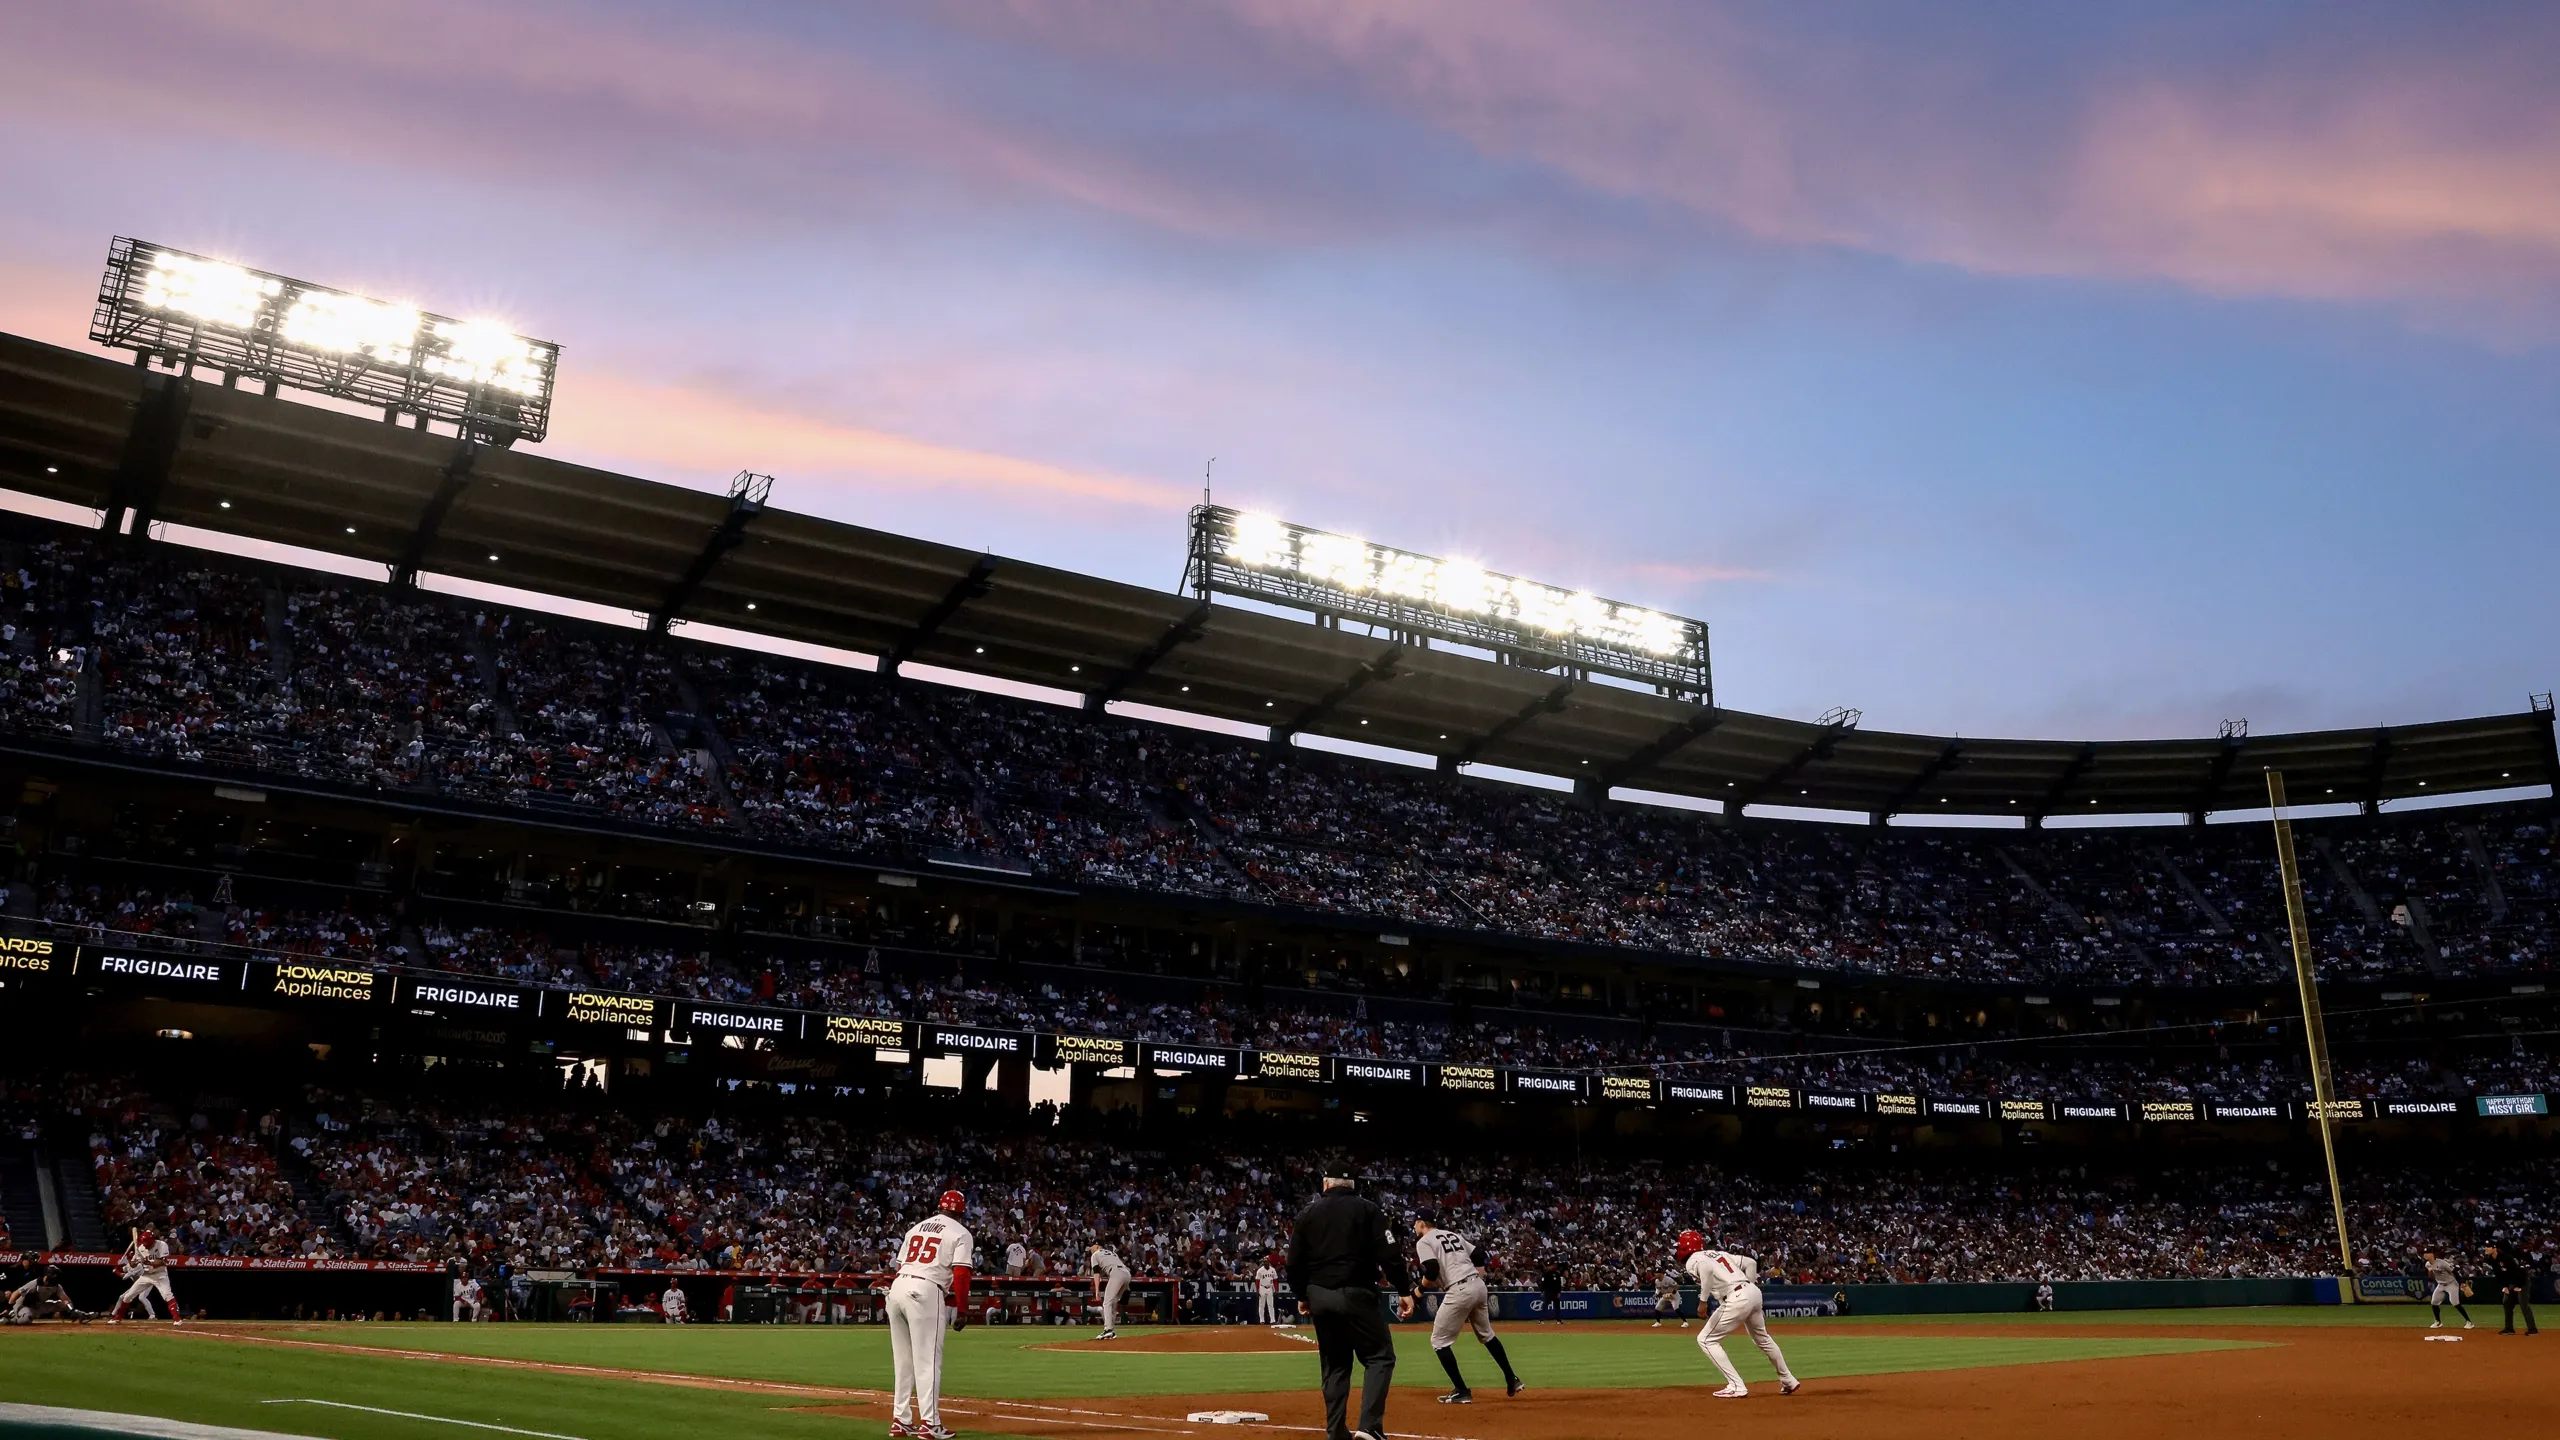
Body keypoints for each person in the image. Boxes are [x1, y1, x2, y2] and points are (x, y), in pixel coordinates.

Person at [1287, 1172, 1410, 1440]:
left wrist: (1302, 1295)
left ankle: (1336, 1432)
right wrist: (1404, 1289)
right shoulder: (1369, 1209)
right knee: (1379, 1357)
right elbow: (1390, 1254)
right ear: (1353, 1185)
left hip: (1319, 1295)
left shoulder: (1308, 1213)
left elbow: (1294, 1261)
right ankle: (1369, 1428)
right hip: (1357, 1292)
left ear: (1326, 1183)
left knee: (1335, 1365)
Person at [888, 1189, 975, 1440]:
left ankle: (901, 1420)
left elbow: (900, 1264)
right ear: (961, 1211)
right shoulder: (960, 1232)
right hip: (926, 1290)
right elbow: (961, 1273)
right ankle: (930, 1424)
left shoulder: (916, 1228)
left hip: (898, 1288)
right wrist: (963, 1308)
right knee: (927, 1362)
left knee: (903, 1361)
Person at [1411, 1216, 1522, 1404]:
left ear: (1422, 1223)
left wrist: (1419, 1291)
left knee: (1439, 1341)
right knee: (1486, 1335)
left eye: (1415, 1222)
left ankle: (1461, 1390)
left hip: (1459, 1289)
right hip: (1478, 1286)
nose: (1414, 1225)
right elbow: (1478, 1254)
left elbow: (1431, 1268)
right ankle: (1512, 1378)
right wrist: (1477, 1273)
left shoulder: (1424, 1241)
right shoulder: (1452, 1235)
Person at [1680, 1229, 1800, 1399]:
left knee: (1706, 1340)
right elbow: (1750, 1262)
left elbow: (1705, 1270)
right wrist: (1748, 1287)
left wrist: (1703, 1301)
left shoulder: (1693, 1259)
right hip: (1752, 1292)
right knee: (1763, 1339)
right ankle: (1788, 1379)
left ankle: (1736, 1385)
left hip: (1736, 1296)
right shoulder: (1717, 1253)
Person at [108, 1228, 179, 1325]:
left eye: (147, 1243)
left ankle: (177, 1319)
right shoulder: (141, 1248)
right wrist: (131, 1260)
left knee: (167, 1295)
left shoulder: (162, 1245)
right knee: (128, 1296)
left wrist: (148, 1262)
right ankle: (118, 1317)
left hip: (160, 1274)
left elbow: (163, 1262)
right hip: (146, 1275)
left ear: (152, 1240)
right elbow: (133, 1265)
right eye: (144, 1243)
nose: (146, 1245)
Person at [5, 1267, 94, 1325]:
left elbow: (65, 1299)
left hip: (40, 1306)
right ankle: (13, 1318)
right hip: (24, 1306)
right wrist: (9, 1309)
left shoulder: (56, 1286)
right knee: (25, 1321)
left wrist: (71, 1310)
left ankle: (80, 1316)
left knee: (64, 1305)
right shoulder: (34, 1284)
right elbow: (15, 1294)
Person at [2486, 1244, 2537, 1336]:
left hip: (2522, 1281)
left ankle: (2533, 1330)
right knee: (2506, 1303)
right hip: (2511, 1283)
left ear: (2495, 1249)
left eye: (2488, 1247)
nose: (2486, 1249)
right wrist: (2504, 1286)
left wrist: (2520, 1286)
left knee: (2523, 1304)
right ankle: (2509, 1329)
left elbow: (2519, 1272)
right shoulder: (2491, 1259)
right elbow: (2499, 1275)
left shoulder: (2506, 1258)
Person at [1089, 1243, 1132, 1339]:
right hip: (1127, 1274)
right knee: (1113, 1303)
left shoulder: (1095, 1255)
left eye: (1092, 1249)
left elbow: (1096, 1274)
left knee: (1106, 1302)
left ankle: (1108, 1330)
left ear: (1097, 1248)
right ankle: (1111, 1330)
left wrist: (1097, 1291)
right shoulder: (1112, 1253)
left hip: (1116, 1273)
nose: (1091, 1251)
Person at [2423, 1251, 2475, 1330]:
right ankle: (2438, 1322)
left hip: (2451, 1284)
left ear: (2432, 1255)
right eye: (2424, 1253)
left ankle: (2469, 1322)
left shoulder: (2442, 1263)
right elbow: (2431, 1277)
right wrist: (2430, 1273)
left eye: (2427, 1253)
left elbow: (2454, 1272)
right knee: (2434, 1302)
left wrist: (2461, 1283)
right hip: (2440, 1284)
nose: (2425, 1255)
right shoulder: (2427, 1264)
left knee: (2455, 1303)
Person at [1255, 1255, 1282, 1326]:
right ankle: (1261, 1320)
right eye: (1264, 1262)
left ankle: (1272, 1320)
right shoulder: (1260, 1270)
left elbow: (1275, 1280)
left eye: (1266, 1262)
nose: (1265, 1263)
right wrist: (1257, 1290)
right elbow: (1257, 1281)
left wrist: (1276, 1290)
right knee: (1261, 1305)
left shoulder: (1272, 1270)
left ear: (1269, 1262)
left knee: (1270, 1305)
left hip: (1270, 1288)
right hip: (1262, 1288)